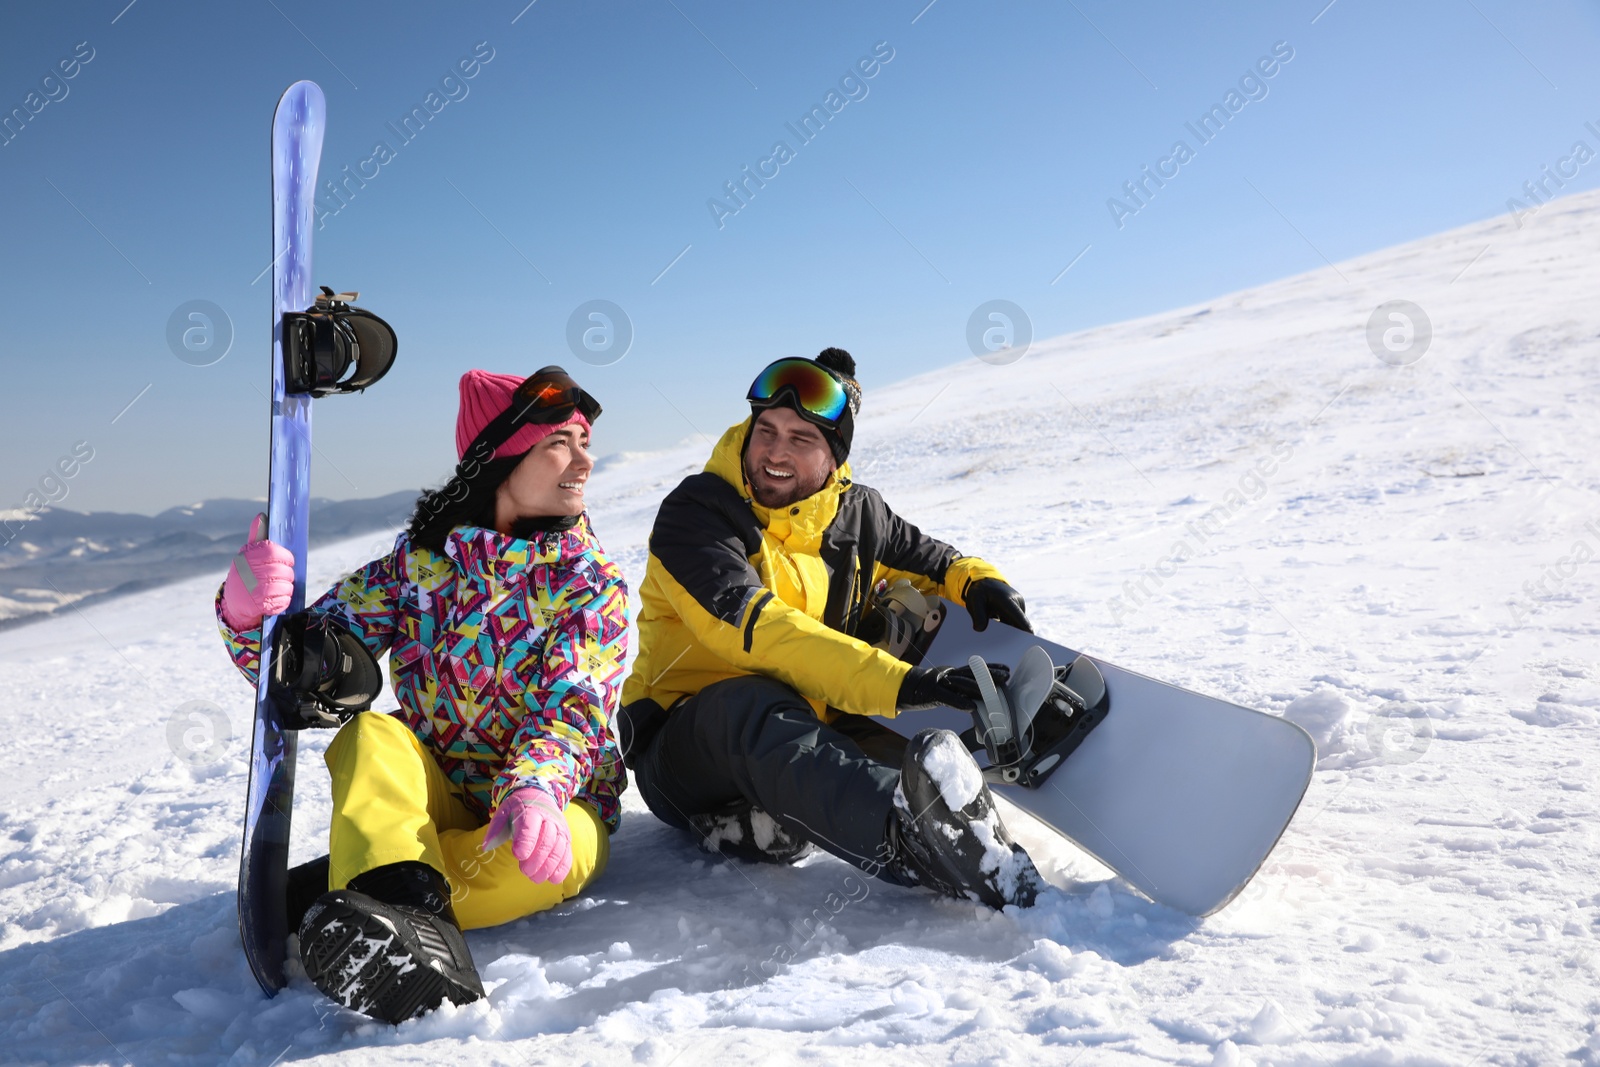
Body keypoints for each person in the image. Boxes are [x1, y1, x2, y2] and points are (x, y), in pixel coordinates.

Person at [215, 366, 629, 1023]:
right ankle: (413, 923)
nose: (585, 459)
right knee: (372, 734)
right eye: (561, 442)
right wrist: (248, 616)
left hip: (551, 808)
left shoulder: (588, 581)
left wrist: (537, 787)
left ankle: (360, 889)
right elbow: (312, 664)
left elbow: (577, 701)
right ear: (500, 458)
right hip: (442, 792)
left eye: (585, 439)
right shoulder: (422, 565)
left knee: (542, 861)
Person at [620, 348, 1043, 910]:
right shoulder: (697, 515)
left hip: (815, 722)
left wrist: (976, 581)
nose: (774, 451)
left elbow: (931, 561)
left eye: (801, 439)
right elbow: (759, 631)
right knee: (752, 703)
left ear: (834, 457)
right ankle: (910, 840)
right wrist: (904, 685)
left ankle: (784, 819)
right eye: (765, 430)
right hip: (687, 748)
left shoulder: (858, 513)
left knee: (908, 740)